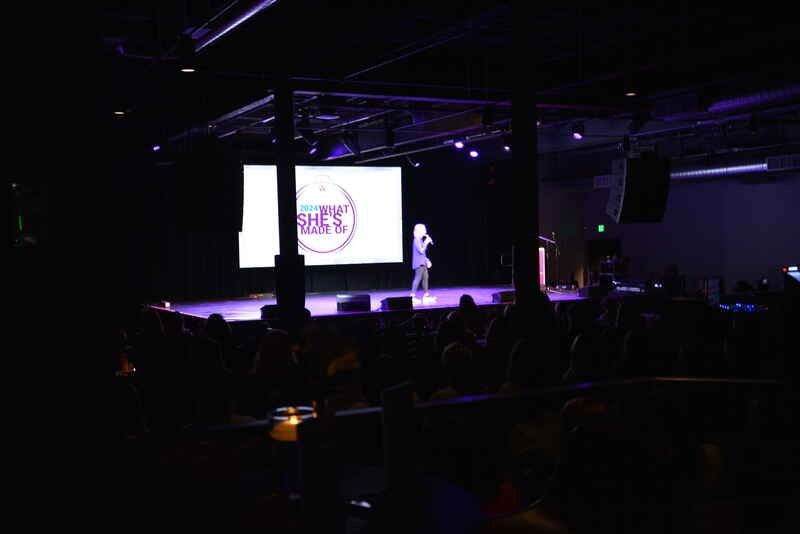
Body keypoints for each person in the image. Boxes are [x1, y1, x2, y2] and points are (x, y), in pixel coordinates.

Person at [410, 223, 434, 300]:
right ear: (420, 231)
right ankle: (412, 296)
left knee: (426, 277)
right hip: (418, 263)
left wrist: (427, 260)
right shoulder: (416, 240)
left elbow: (423, 253)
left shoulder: (420, 240)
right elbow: (421, 250)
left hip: (422, 262)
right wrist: (426, 242)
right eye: (424, 230)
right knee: (418, 278)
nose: (425, 232)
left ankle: (426, 295)